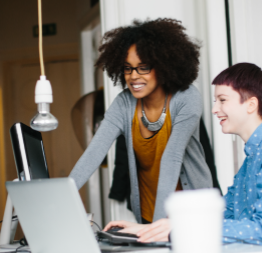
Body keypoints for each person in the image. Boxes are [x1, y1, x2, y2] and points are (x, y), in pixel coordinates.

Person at [104, 63, 262, 253]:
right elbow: (224, 213)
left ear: (251, 105)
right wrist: (152, 228)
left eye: (222, 100)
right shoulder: (254, 157)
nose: (215, 109)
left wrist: (180, 230)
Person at [69, 18, 214, 225]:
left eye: (143, 67)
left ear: (163, 65)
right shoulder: (124, 104)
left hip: (192, 212)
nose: (133, 76)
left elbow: (172, 158)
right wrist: (61, 198)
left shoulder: (186, 98)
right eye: (128, 68)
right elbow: (94, 153)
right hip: (149, 213)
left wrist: (156, 227)